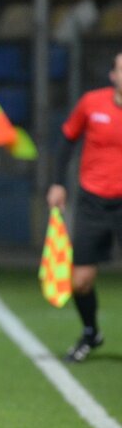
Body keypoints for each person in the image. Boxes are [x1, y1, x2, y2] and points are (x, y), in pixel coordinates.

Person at [46, 50, 122, 363]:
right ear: (113, 75)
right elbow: (66, 140)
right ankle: (91, 332)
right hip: (93, 202)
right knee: (80, 281)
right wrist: (58, 183)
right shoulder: (92, 103)